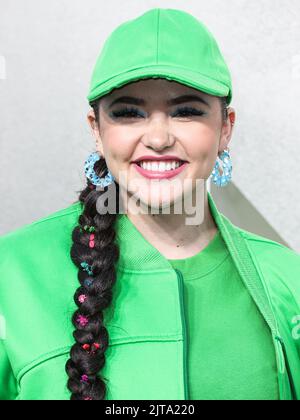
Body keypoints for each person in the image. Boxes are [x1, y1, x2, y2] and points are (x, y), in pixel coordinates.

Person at [0, 7, 299, 401]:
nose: (158, 138)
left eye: (186, 111)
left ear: (225, 127)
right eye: (128, 113)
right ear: (97, 131)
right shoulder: (12, 272)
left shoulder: (287, 277)